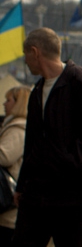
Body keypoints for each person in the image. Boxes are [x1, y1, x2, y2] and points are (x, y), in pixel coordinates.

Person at [12, 27, 82, 247]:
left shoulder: (80, 82)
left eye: (26, 55)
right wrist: (22, 185)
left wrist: (67, 165)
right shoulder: (37, 91)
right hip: (36, 194)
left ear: (35, 52)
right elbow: (32, 143)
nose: (25, 62)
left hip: (71, 197)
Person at [0, 86, 30, 244]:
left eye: (8, 100)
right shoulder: (13, 126)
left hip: (9, 208)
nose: (5, 104)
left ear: (19, 103)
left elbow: (4, 156)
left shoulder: (18, 129)